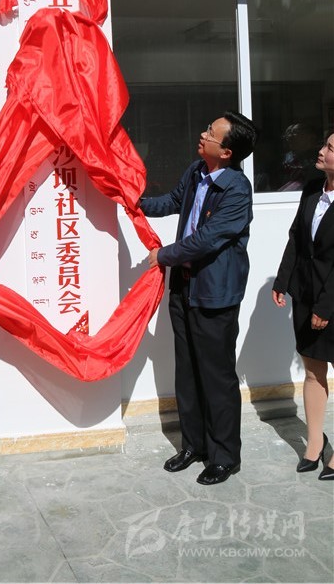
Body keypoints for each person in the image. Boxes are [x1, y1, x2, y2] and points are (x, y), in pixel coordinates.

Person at [141, 112, 258, 485]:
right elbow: (173, 201)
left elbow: (207, 239)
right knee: (188, 371)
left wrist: (164, 255)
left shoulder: (237, 190)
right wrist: (134, 201)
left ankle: (224, 456)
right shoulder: (196, 172)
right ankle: (193, 445)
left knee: (216, 377)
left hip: (214, 294)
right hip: (184, 288)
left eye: (211, 132)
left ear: (226, 152)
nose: (203, 134)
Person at [272, 132, 334, 481]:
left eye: (330, 148)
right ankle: (314, 444)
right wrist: (283, 281)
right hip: (306, 294)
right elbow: (296, 237)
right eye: (324, 144)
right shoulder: (312, 188)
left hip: (331, 299)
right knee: (313, 371)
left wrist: (325, 308)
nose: (321, 151)